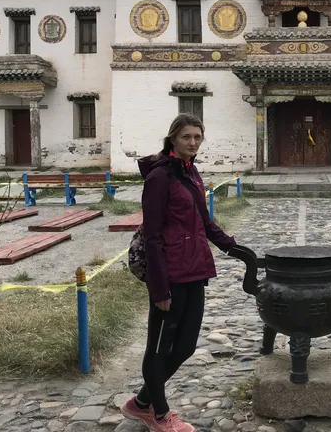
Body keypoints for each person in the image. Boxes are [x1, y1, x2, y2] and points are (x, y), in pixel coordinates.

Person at [121, 114, 236, 432]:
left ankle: (140, 403)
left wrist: (234, 248)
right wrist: (159, 290)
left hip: (195, 269)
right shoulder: (160, 177)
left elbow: (205, 221)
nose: (193, 143)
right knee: (158, 348)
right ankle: (158, 413)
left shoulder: (191, 172)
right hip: (169, 275)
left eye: (198, 137)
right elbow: (153, 235)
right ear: (173, 138)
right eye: (187, 137)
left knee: (184, 346)